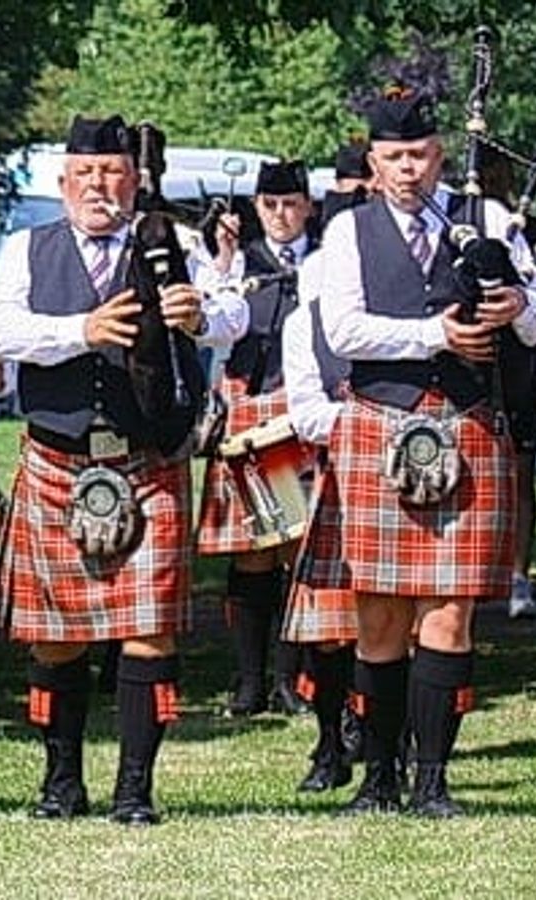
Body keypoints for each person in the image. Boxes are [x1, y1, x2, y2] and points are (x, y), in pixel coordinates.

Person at [0, 114, 246, 826]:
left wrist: (200, 319)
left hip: (147, 457)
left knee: (149, 628)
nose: (99, 186)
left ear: (133, 179)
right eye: (86, 174)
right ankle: (60, 781)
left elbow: (235, 314)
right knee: (54, 635)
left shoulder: (172, 241)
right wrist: (81, 330)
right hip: (57, 457)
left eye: (112, 173)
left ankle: (135, 790)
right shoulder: (27, 247)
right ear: (63, 181)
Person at [320, 92, 536, 817]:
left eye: (419, 155)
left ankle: (432, 781)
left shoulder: (488, 218)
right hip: (379, 422)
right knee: (379, 617)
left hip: (466, 425)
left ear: (439, 156)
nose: (407, 170)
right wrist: (435, 337)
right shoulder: (348, 231)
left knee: (449, 615)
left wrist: (519, 309)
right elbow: (343, 331)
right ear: (372, 162)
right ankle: (378, 778)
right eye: (393, 157)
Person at [194, 159, 319, 717]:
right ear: (256, 206)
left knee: (295, 548)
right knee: (252, 554)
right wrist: (222, 260)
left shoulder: (326, 260)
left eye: (291, 204)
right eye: (270, 204)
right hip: (249, 404)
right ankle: (249, 681)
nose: (281, 215)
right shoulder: (238, 260)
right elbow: (213, 321)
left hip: (302, 409)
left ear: (307, 206)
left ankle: (291, 677)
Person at [278, 156, 361, 790]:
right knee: (331, 629)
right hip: (336, 478)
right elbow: (307, 414)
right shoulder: (304, 321)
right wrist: (378, 426)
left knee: (405, 627)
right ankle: (330, 743)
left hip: (406, 482)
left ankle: (389, 745)